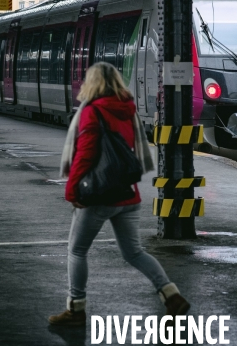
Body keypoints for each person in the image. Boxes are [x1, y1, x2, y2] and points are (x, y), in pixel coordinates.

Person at [49, 62, 190, 327]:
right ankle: (172, 295)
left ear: (92, 83)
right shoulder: (127, 110)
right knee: (134, 253)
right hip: (128, 194)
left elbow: (85, 154)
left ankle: (76, 310)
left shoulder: (92, 112)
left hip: (100, 195)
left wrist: (71, 189)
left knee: (77, 251)